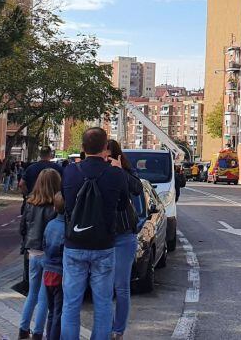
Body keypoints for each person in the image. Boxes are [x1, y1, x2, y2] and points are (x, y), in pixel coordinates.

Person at [60, 127, 128, 340]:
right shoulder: (115, 174)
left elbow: (65, 204)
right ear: (106, 148)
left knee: (71, 304)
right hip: (103, 245)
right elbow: (123, 205)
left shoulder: (70, 172)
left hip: (74, 244)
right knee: (104, 303)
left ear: (82, 148)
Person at [107, 140, 144, 340]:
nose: (105, 160)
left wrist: (120, 170)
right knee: (102, 287)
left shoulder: (124, 171)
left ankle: (118, 330)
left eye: (109, 156)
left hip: (123, 234)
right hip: (102, 236)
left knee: (121, 286)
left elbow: (138, 188)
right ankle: (105, 327)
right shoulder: (96, 170)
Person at [19, 168, 60, 339]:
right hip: (47, 253)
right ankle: (37, 332)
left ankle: (23, 329)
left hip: (32, 251)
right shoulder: (55, 206)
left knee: (32, 293)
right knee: (44, 297)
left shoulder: (30, 203)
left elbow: (23, 227)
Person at [41, 193, 67, 340]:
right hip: (60, 271)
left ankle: (49, 335)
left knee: (51, 310)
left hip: (48, 270)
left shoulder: (50, 225)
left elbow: (44, 244)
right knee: (58, 311)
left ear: (55, 208)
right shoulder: (67, 228)